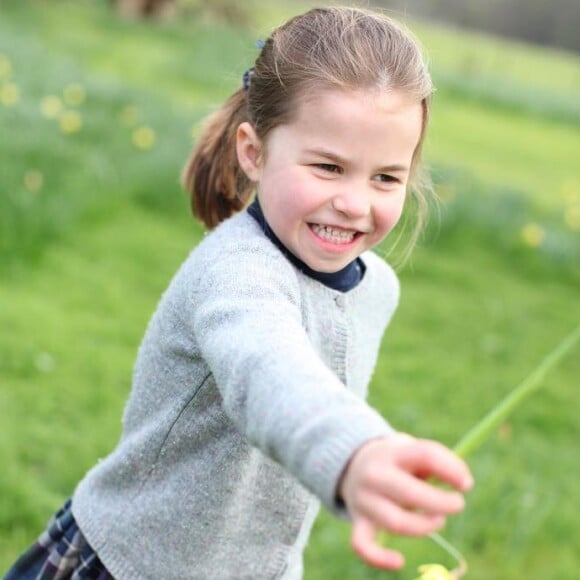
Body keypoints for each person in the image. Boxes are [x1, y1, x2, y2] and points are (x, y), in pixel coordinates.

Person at [5, 6, 473, 580]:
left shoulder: (377, 288)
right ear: (254, 152)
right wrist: (354, 454)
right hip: (130, 564)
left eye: (385, 177)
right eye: (328, 167)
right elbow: (270, 374)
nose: (356, 202)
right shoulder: (236, 273)